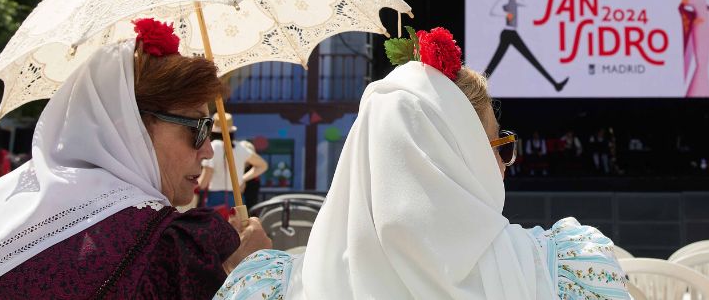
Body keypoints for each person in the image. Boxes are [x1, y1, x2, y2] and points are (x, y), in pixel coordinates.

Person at [215, 26, 628, 300]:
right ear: (462, 159)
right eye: (500, 146)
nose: (506, 164)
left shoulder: (265, 288)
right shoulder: (565, 272)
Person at [0, 18, 269, 300]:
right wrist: (245, 272)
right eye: (198, 128)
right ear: (129, 126)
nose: (208, 149)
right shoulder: (166, 246)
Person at [485, 0, 568, 92]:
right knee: (524, 58)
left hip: (511, 33)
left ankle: (556, 84)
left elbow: (523, 3)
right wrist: (505, 14)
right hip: (508, 33)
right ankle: (556, 84)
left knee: (500, 61)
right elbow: (493, 11)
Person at [198, 113, 268, 214]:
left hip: (216, 199)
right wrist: (243, 178)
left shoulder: (214, 147)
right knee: (236, 229)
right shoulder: (241, 148)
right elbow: (263, 165)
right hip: (237, 199)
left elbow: (203, 182)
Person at [678, 0, 709, 96]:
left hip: (706, 28)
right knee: (700, 57)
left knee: (705, 58)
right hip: (697, 28)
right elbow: (681, 8)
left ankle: (704, 88)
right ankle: (697, 91)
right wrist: (693, 20)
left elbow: (705, 8)